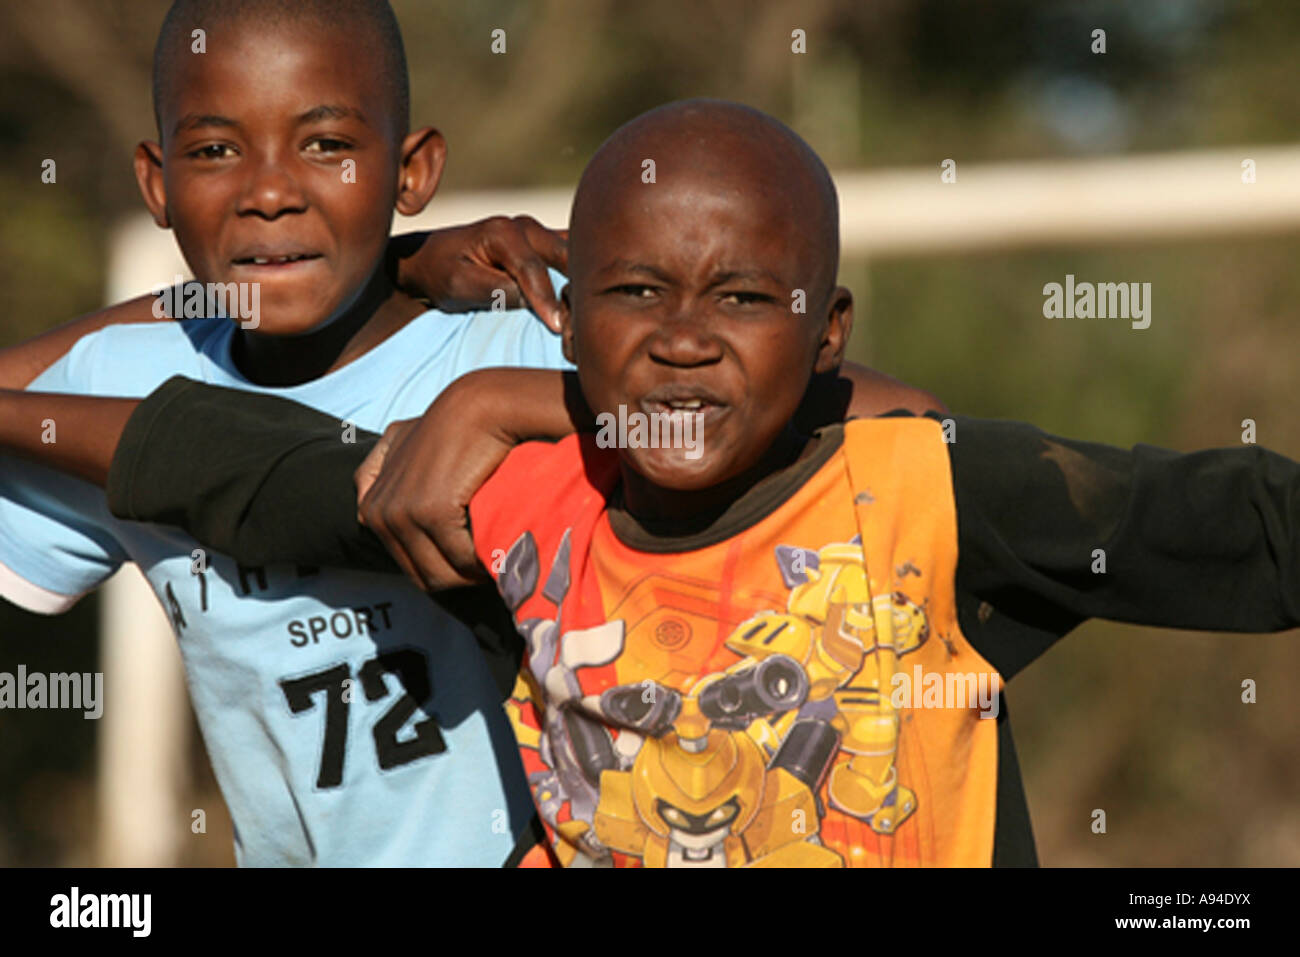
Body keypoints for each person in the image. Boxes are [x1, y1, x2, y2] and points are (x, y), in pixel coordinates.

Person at [0, 6, 941, 866]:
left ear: (411, 173)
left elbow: (907, 419)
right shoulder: (123, 382)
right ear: (156, 184)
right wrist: (405, 258)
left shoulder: (519, 339)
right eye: (214, 153)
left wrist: (508, 402)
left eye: (327, 145)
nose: (270, 193)